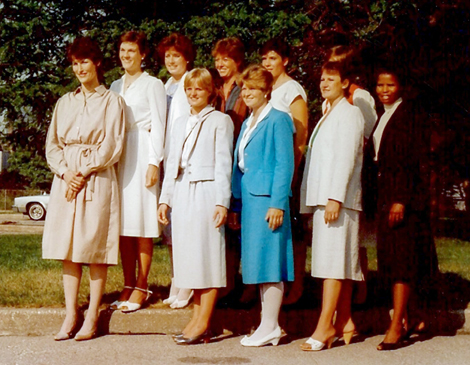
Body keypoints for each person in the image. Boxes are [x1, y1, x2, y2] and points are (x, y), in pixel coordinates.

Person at [42, 37, 126, 341]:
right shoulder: (65, 102)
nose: (79, 68)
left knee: (94, 247)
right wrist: (66, 173)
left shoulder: (112, 101)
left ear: (97, 63)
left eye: (85, 62)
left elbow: (112, 144)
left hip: (96, 177)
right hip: (67, 180)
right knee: (68, 248)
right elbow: (53, 145)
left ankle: (92, 315)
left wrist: (84, 171)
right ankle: (70, 314)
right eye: (75, 63)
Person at [363, 66, 438, 351]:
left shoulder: (411, 113)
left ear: (401, 87)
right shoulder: (383, 115)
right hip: (384, 198)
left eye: (390, 85)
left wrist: (402, 199)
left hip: (402, 200)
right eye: (380, 85)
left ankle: (396, 326)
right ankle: (412, 317)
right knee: (392, 260)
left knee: (402, 262)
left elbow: (415, 159)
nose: (384, 90)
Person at [157, 68, 233, 344]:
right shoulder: (179, 123)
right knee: (190, 259)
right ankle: (197, 318)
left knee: (208, 256)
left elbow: (224, 165)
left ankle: (204, 322)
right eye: (189, 89)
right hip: (182, 192)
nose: (193, 93)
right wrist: (165, 199)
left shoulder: (220, 121)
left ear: (210, 91)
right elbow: (171, 166)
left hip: (206, 192)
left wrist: (221, 202)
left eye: (199, 89)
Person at [300, 61, 365, 351]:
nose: (325, 83)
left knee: (332, 265)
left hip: (337, 200)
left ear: (345, 83)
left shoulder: (350, 113)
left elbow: (346, 158)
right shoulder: (328, 113)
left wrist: (335, 198)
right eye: (322, 78)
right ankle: (345, 322)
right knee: (339, 264)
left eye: (332, 79)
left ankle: (325, 326)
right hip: (324, 198)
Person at [232, 65, 295, 347]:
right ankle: (267, 324)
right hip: (249, 200)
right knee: (257, 262)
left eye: (253, 88)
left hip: (268, 201)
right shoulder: (248, 122)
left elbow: (285, 163)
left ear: (266, 90)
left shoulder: (278, 119)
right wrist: (235, 203)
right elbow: (240, 165)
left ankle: (270, 325)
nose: (247, 93)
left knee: (271, 261)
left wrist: (278, 203)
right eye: (244, 88)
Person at [109, 31, 166, 313]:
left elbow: (159, 124)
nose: (126, 55)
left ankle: (143, 285)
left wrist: (155, 162)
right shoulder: (115, 85)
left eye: (131, 50)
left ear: (143, 54)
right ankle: (128, 283)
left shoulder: (153, 84)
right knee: (123, 226)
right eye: (122, 50)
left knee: (142, 223)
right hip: (120, 155)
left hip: (143, 151)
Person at [260, 38, 309, 305]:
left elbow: (300, 137)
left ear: (285, 61)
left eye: (273, 58)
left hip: (288, 170)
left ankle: (297, 285)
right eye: (264, 59)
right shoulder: (265, 89)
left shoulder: (293, 90)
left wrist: (291, 175)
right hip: (267, 172)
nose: (267, 64)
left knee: (294, 231)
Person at [157, 33, 196, 308]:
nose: (171, 60)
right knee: (171, 228)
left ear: (187, 58)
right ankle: (176, 277)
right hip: (166, 160)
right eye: (167, 56)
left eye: (176, 55)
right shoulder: (167, 85)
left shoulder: (190, 83)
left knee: (185, 227)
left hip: (184, 163)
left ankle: (188, 281)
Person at [212, 37, 249, 304]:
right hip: (218, 160)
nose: (220, 64)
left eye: (226, 58)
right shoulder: (214, 88)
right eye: (217, 59)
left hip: (241, 159)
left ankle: (245, 286)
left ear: (237, 60)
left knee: (241, 224)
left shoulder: (245, 86)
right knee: (224, 226)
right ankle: (225, 283)